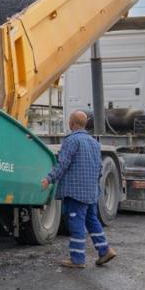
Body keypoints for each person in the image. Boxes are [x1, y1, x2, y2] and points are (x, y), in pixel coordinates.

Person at [42, 110, 115, 269]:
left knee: (76, 224)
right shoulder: (95, 143)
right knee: (92, 220)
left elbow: (62, 164)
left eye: (69, 120)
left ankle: (77, 259)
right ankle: (105, 250)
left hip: (75, 191)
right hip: (91, 191)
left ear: (72, 123)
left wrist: (49, 178)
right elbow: (100, 168)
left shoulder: (72, 141)